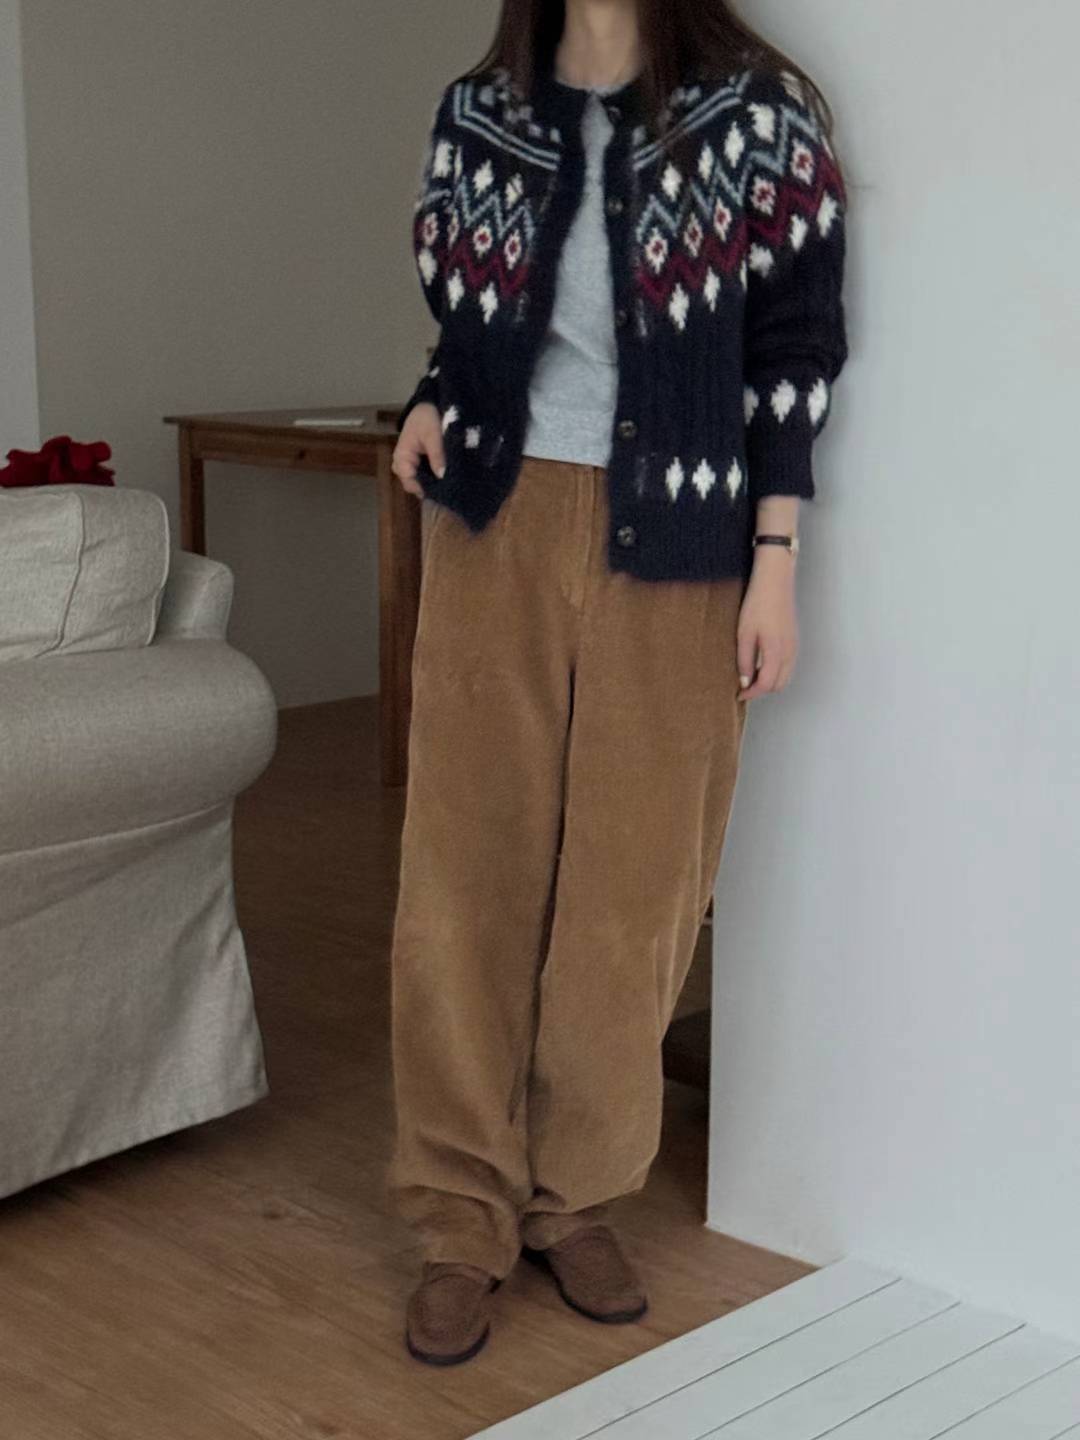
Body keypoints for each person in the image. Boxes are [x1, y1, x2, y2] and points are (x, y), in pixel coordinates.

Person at [389, 0, 849, 1366]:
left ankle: (574, 1197)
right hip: (494, 520)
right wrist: (432, 394)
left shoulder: (756, 113)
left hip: (685, 536)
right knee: (465, 872)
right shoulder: (480, 113)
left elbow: (793, 348)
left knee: (636, 883)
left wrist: (776, 558)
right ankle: (459, 1217)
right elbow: (467, 322)